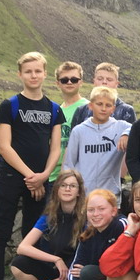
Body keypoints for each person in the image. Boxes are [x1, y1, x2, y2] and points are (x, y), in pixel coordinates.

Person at [0, 51, 63, 280]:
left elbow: (55, 148)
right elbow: (4, 146)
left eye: (38, 71)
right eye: (28, 71)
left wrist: (44, 175)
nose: (33, 75)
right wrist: (31, 176)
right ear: (20, 74)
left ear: (45, 73)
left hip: (40, 179)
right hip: (12, 176)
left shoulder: (54, 109)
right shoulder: (9, 105)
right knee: (2, 231)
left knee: (34, 234)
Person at [10, 169, 87, 280]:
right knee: (18, 264)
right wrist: (56, 259)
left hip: (74, 274)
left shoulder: (86, 218)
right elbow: (23, 247)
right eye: (63, 185)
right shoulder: (50, 216)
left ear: (79, 192)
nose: (67, 189)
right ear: (57, 189)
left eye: (72, 186)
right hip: (56, 269)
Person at [63, 86, 132, 196]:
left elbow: (139, 128)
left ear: (113, 109)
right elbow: (69, 164)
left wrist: (126, 134)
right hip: (83, 194)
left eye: (108, 105)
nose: (103, 108)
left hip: (110, 194)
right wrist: (71, 188)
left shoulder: (121, 127)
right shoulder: (79, 131)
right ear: (90, 106)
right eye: (99, 104)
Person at [47, 62, 89, 192]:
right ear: (57, 83)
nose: (69, 82)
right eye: (64, 80)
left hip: (75, 176)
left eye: (74, 79)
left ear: (81, 82)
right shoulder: (56, 110)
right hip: (52, 174)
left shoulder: (88, 108)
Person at [70, 62, 136, 127]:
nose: (104, 82)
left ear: (116, 84)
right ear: (94, 81)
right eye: (100, 79)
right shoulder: (82, 110)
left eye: (109, 80)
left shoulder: (126, 111)